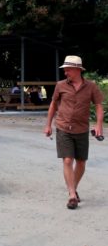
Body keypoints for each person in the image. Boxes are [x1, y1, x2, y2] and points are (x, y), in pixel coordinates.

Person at [44, 55, 104, 210]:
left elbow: (98, 105)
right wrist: (48, 125)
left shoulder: (91, 86)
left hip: (81, 129)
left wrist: (99, 125)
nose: (65, 73)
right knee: (67, 160)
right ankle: (71, 195)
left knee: (81, 162)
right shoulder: (60, 85)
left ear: (77, 70)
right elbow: (53, 104)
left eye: (68, 70)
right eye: (65, 70)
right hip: (63, 127)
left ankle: (73, 187)